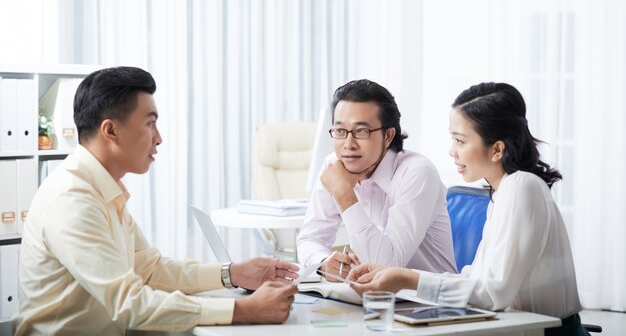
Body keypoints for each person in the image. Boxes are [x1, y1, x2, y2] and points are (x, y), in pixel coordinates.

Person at [13, 67, 299, 335]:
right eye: (150, 124)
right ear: (110, 131)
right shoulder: (73, 201)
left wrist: (234, 273)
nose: (159, 138)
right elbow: (129, 302)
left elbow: (150, 270)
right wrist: (244, 310)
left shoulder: (101, 188)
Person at [347, 82, 589, 336]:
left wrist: (407, 279)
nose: (452, 151)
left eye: (460, 141)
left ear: (496, 149)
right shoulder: (505, 190)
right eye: (452, 138)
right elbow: (475, 281)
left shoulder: (521, 187)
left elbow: (493, 292)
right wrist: (398, 274)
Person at [297, 79, 457, 281]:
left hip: (429, 304)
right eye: (340, 131)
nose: (348, 144)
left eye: (361, 131)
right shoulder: (334, 165)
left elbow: (386, 266)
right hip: (368, 298)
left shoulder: (417, 172)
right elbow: (309, 239)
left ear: (388, 136)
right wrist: (323, 263)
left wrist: (344, 193)